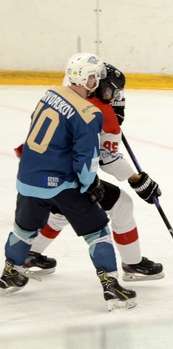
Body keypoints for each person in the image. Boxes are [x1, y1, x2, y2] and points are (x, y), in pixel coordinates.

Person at [0, 53, 155, 310]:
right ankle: (112, 288)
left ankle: (9, 274)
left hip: (27, 178)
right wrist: (91, 185)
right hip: (61, 183)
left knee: (23, 230)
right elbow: (86, 161)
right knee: (98, 233)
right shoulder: (89, 113)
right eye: (95, 77)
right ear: (88, 80)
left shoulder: (50, 94)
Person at [22, 63, 164, 281]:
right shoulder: (103, 114)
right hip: (67, 176)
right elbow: (108, 160)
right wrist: (137, 180)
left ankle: (27, 254)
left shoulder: (64, 94)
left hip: (37, 168)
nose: (115, 96)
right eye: (112, 91)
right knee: (122, 204)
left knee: (60, 211)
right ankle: (133, 264)